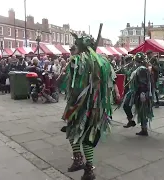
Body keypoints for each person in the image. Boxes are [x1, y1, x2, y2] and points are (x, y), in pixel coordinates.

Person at [62, 34, 118, 180]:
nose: (73, 48)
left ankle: (86, 167)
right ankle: (83, 163)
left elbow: (72, 84)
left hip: (82, 106)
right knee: (83, 134)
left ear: (79, 46)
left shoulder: (77, 60)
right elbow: (111, 83)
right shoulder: (104, 61)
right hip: (97, 106)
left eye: (75, 45)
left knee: (77, 133)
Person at [122, 52, 154, 136]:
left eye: (134, 60)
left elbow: (143, 82)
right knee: (127, 105)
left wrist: (143, 92)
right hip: (134, 91)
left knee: (142, 110)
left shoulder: (142, 69)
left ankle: (144, 129)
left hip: (139, 92)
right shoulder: (137, 68)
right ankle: (131, 121)